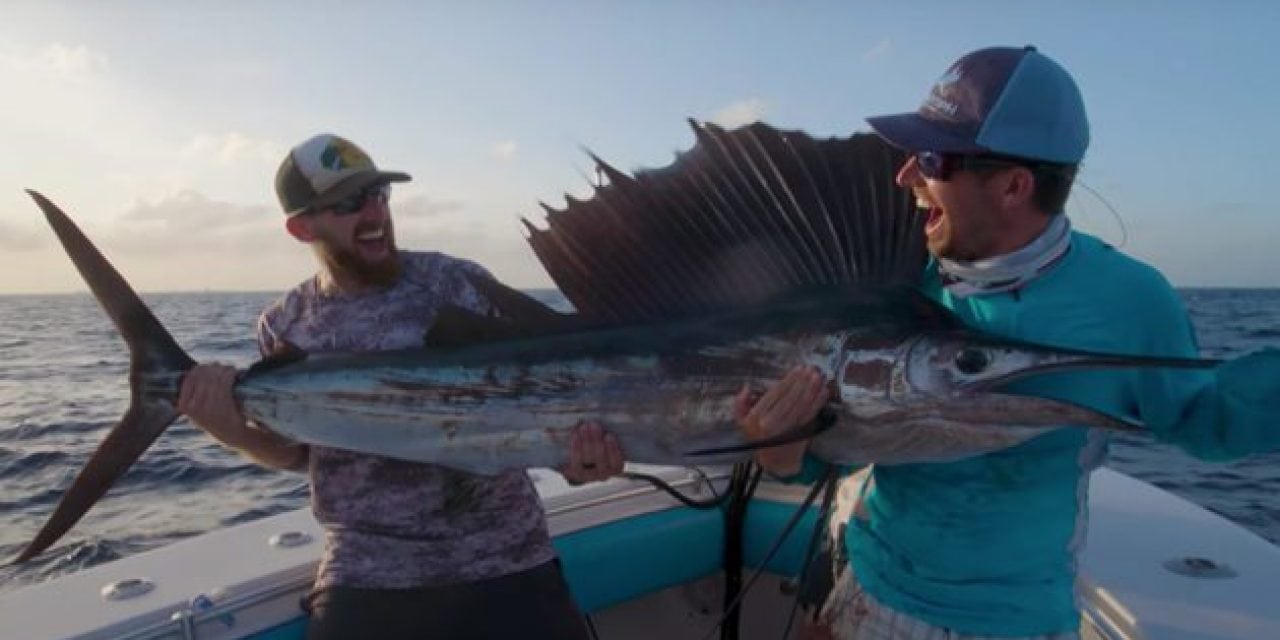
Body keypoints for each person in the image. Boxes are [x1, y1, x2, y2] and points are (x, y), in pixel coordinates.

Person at [737, 45, 1280, 639]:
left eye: (930, 158)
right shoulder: (903, 274)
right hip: (867, 583)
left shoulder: (1131, 300)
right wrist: (782, 455)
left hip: (1008, 623)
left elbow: (1207, 420)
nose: (906, 176)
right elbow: (849, 437)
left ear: (1014, 186)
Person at [178, 133, 625, 640]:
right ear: (301, 227)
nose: (373, 213)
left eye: (380, 196)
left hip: (506, 556)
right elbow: (306, 454)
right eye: (348, 203)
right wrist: (231, 433)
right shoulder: (286, 323)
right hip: (369, 573)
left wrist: (577, 463)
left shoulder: (459, 283)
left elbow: (547, 405)